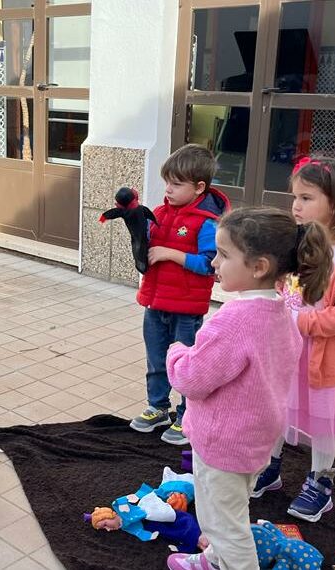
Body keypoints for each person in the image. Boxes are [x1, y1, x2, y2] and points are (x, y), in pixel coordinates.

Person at [166, 207, 334, 570]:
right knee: (230, 509)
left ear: (258, 267)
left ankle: (230, 561)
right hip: (253, 439)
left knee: (223, 524)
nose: (214, 262)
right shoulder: (281, 315)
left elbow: (190, 379)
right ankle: (213, 561)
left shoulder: (234, 320)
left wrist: (176, 353)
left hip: (223, 442)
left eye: (225, 255)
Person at [252, 157, 335, 523]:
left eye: (306, 198)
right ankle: (270, 468)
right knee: (278, 411)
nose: (295, 206)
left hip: (322, 362)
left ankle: (320, 482)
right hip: (288, 354)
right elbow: (285, 288)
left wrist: (303, 321)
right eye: (294, 197)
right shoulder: (298, 245)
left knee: (322, 425)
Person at [129, 144, 230, 445]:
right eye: (166, 182)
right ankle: (157, 408)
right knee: (156, 361)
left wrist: (170, 254)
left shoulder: (207, 223)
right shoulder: (159, 212)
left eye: (176, 183)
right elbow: (147, 248)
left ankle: (187, 416)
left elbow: (208, 265)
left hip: (186, 309)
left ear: (199, 187)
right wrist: (136, 225)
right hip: (156, 303)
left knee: (187, 365)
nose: (168, 189)